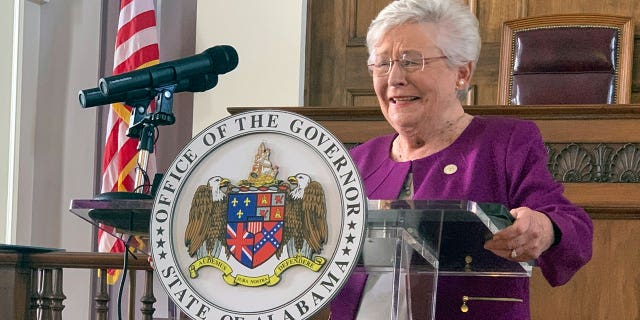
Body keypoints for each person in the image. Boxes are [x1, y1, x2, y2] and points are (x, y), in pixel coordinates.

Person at [329, 0, 594, 319]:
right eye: (382, 64)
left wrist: (546, 228)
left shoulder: (504, 144)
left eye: (412, 61)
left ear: (462, 72)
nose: (394, 78)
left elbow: (574, 228)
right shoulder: (357, 160)